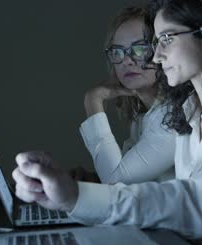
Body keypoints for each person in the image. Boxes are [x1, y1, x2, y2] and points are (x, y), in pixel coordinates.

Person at [12, 0, 202, 245]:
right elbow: (186, 198)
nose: (154, 56)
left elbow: (197, 202)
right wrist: (81, 191)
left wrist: (92, 103)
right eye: (118, 52)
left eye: (163, 40)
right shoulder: (185, 110)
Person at [75, 6, 175, 185]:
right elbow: (126, 180)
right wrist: (93, 180)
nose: (127, 60)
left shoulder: (171, 118)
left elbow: (115, 181)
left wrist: (92, 100)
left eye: (139, 49)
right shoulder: (142, 116)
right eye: (118, 51)